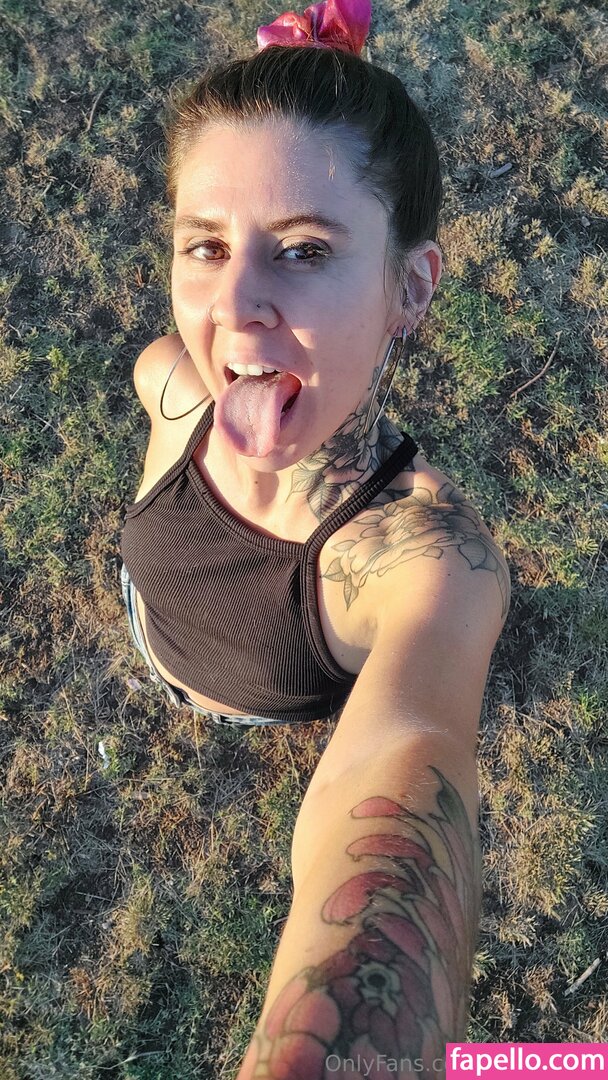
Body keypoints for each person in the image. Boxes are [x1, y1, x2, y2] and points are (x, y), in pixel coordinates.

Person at [119, 0, 511, 1073]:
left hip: (257, 709)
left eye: (301, 250)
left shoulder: (426, 566)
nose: (233, 305)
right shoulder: (169, 383)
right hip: (161, 637)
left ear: (407, 288)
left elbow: (403, 771)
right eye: (205, 246)